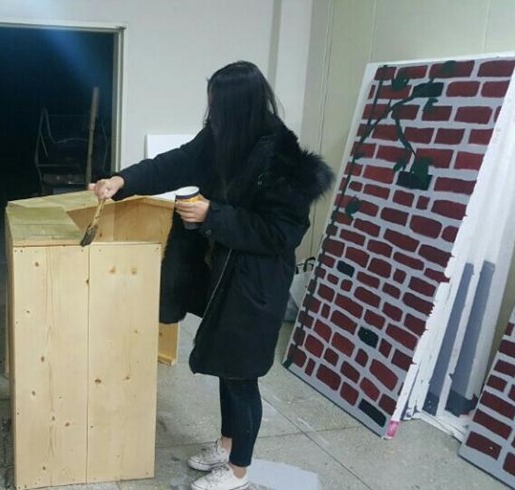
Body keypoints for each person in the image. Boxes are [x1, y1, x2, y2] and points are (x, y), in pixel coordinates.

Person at [91, 61, 333, 490]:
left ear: (238, 107)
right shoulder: (224, 137)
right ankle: (226, 444)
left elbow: (280, 234)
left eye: (217, 107)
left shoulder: (283, 160)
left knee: (241, 375)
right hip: (226, 273)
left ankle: (239, 470)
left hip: (257, 281)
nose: (211, 114)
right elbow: (174, 163)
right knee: (226, 363)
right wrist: (121, 180)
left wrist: (211, 214)